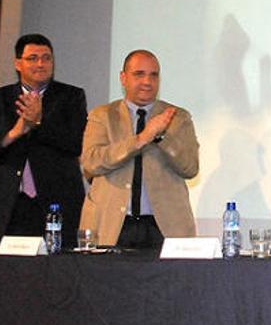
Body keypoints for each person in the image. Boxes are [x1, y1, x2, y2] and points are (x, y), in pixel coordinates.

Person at [0, 34, 87, 248]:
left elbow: (75, 143)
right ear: (17, 63)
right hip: (8, 205)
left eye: (47, 58)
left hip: (55, 206)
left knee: (56, 276)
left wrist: (38, 123)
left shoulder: (70, 97)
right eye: (33, 58)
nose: (41, 64)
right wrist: (13, 133)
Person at [79, 50, 199, 249]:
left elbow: (190, 168)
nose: (147, 81)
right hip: (112, 225)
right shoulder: (102, 116)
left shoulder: (178, 117)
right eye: (139, 74)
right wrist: (141, 139)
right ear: (123, 78)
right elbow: (91, 163)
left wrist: (161, 136)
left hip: (163, 227)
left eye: (154, 75)